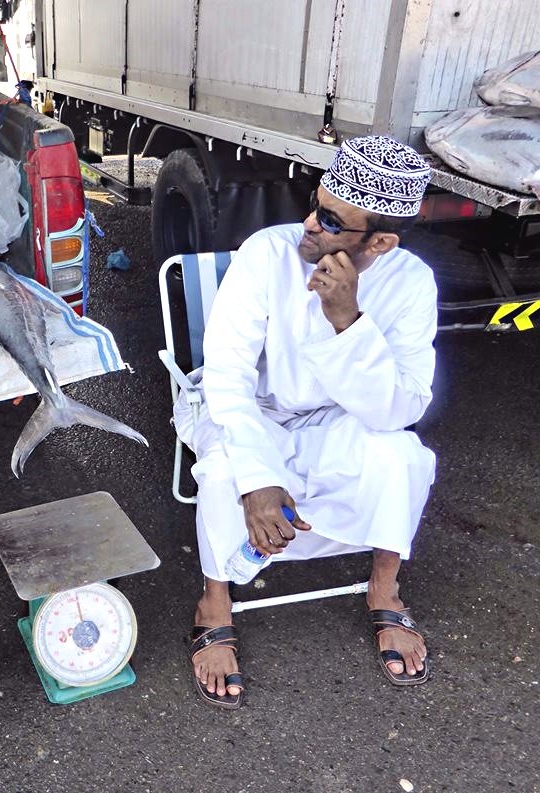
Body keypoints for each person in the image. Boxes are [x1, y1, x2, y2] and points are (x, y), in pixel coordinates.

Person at [174, 135, 438, 709]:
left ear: (380, 243)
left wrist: (347, 320)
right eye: (314, 205)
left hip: (339, 417)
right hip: (248, 408)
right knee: (225, 471)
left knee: (401, 455)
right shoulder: (268, 253)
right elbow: (226, 374)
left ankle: (384, 588)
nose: (308, 225)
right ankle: (214, 602)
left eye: (330, 220)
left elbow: (402, 406)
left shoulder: (411, 282)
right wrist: (258, 476)